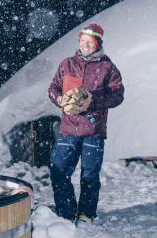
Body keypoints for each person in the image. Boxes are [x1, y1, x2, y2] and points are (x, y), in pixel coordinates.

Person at [48, 23, 124, 224]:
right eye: (83, 41)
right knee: (58, 171)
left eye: (90, 42)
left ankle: (86, 214)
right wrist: (59, 100)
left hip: (93, 130)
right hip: (68, 129)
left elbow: (118, 95)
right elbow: (53, 88)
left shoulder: (108, 67)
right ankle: (66, 212)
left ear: (97, 43)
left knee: (89, 176)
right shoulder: (67, 64)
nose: (85, 45)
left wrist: (93, 101)